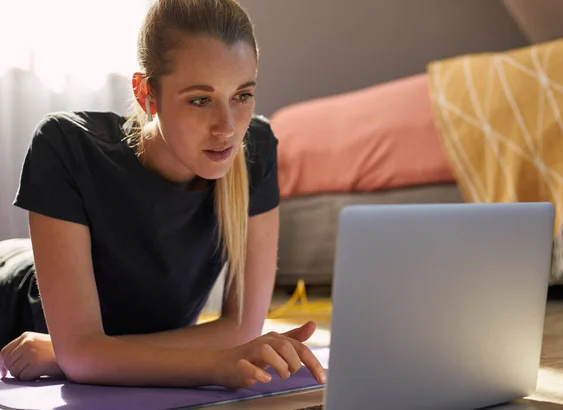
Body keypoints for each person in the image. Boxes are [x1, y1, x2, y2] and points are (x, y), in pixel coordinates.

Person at [0, 0, 326, 389]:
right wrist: (213, 364)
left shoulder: (256, 150)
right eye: (200, 100)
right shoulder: (65, 147)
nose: (226, 128)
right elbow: (84, 355)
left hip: (63, 347)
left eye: (242, 95)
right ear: (145, 93)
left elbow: (240, 331)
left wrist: (76, 355)